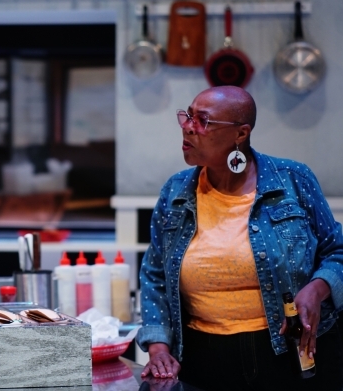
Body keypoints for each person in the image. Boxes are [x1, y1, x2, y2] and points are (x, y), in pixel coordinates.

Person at [136, 86, 343, 391]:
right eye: (188, 116)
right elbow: (154, 276)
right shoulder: (175, 192)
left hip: (293, 353)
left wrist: (317, 288)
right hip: (202, 358)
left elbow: (337, 251)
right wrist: (158, 348)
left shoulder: (292, 179)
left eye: (203, 121)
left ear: (240, 134)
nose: (189, 127)